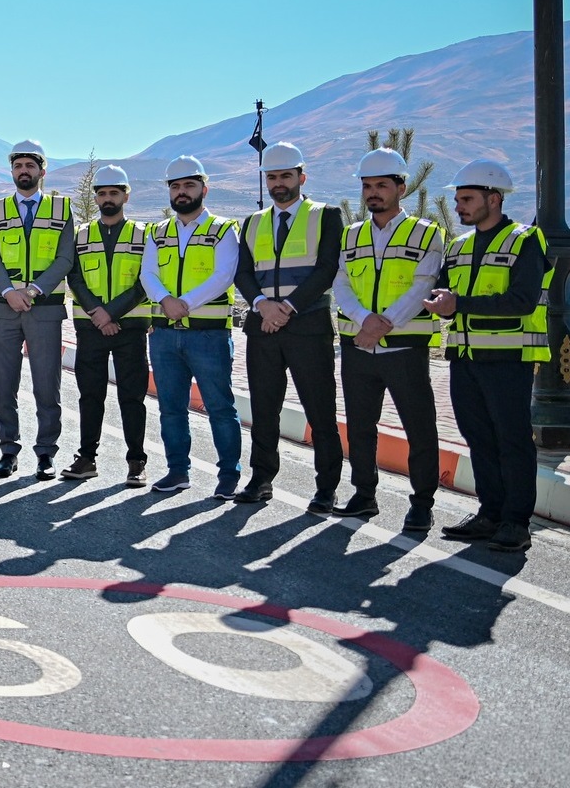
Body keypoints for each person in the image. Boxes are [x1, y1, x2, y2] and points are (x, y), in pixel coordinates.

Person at [426, 158, 549, 553]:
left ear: (493, 199)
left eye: (467, 199)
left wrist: (458, 304)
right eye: (458, 199)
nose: (458, 206)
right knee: (478, 438)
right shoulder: (459, 246)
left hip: (508, 361)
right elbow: (444, 293)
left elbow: (522, 301)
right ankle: (490, 514)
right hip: (464, 359)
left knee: (513, 441)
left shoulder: (525, 240)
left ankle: (516, 523)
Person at [333, 148, 447, 533]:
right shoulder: (351, 235)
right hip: (358, 348)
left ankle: (422, 504)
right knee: (360, 426)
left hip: (405, 350)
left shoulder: (426, 232)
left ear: (402, 188)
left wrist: (383, 324)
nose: (373, 192)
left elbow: (423, 285)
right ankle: (364, 494)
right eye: (367, 186)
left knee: (420, 428)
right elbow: (341, 285)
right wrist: (364, 321)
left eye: (382, 185)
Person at [234, 142, 345, 506]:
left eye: (285, 176)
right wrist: (263, 306)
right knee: (264, 410)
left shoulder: (326, 215)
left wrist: (287, 308)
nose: (278, 183)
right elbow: (243, 272)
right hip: (263, 328)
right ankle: (261, 479)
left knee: (320, 410)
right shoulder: (253, 222)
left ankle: (326, 488)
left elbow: (327, 268)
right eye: (272, 177)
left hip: (308, 327)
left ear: (301, 177)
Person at [141, 155, 242, 496]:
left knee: (220, 407)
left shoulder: (223, 229)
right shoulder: (157, 232)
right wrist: (165, 300)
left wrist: (183, 303)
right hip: (164, 336)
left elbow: (224, 274)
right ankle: (177, 472)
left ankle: (228, 475)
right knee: (171, 408)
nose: (182, 191)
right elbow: (148, 273)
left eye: (189, 185)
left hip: (209, 335)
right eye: (176, 186)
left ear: (204, 189)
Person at [0, 140, 75, 480]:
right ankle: (8, 450)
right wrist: (8, 291)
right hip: (4, 309)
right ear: (12, 171)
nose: (24, 171)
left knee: (46, 385)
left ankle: (46, 452)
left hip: (44, 309)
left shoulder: (62, 209)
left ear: (42, 171)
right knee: (3, 385)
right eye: (18, 166)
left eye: (30, 166)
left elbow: (65, 257)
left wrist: (33, 290)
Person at [60, 165, 153, 486]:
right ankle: (86, 458)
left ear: (126, 195)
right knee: (90, 395)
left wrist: (111, 313)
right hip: (90, 329)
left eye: (114, 193)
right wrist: (97, 313)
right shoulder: (81, 234)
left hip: (131, 329)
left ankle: (136, 461)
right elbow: (74, 277)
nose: (108, 199)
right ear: (96, 197)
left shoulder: (143, 234)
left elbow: (146, 280)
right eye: (102, 193)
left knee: (132, 397)